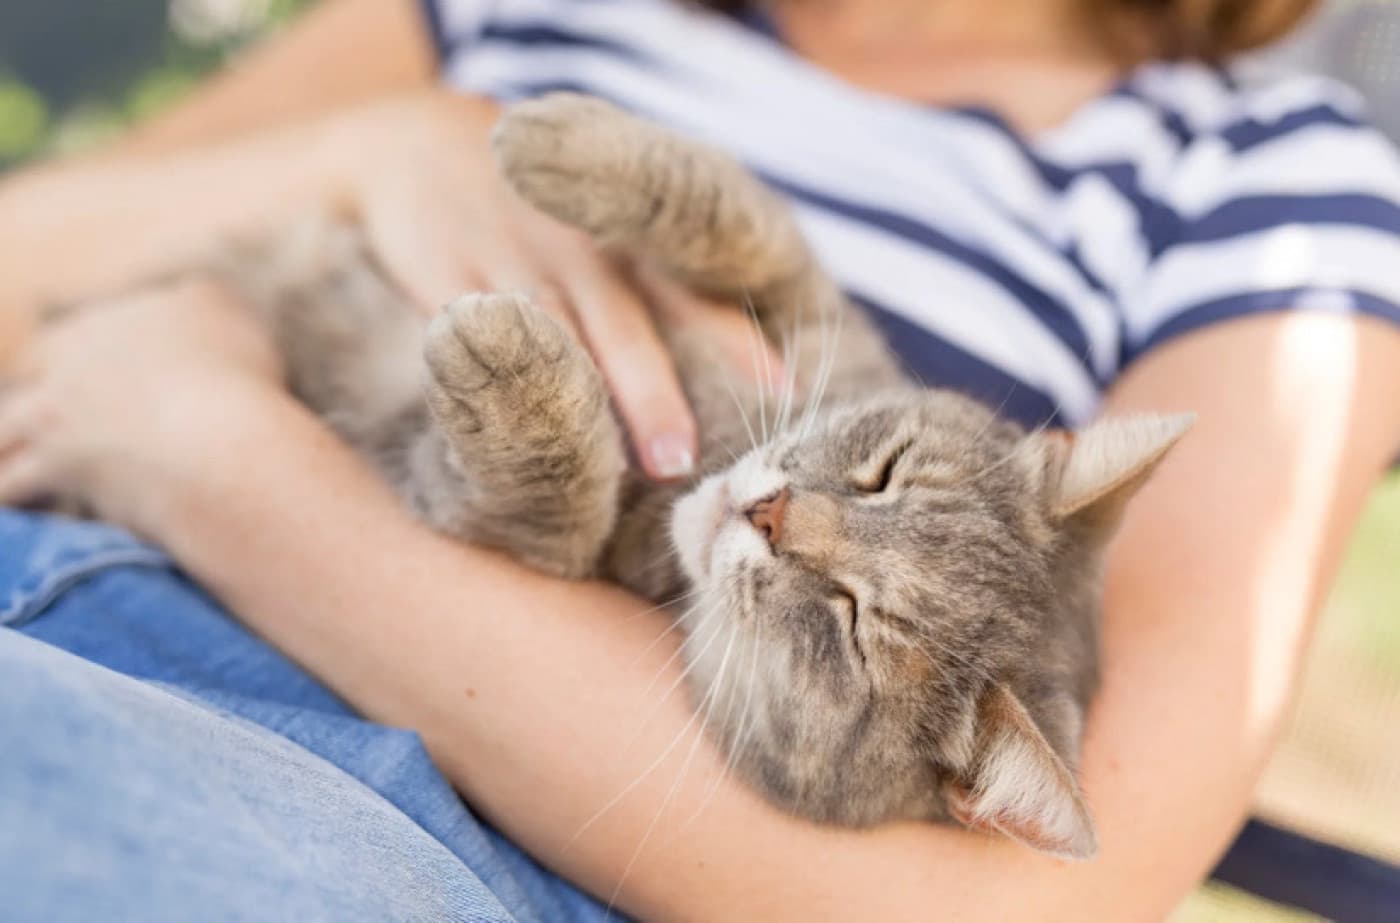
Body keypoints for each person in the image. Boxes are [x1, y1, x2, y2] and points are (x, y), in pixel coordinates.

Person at [3, 0, 1400, 918]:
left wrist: (215, 463)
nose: (801, 519)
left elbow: (1027, 908)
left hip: (384, 813)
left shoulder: (1264, 188)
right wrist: (368, 153)